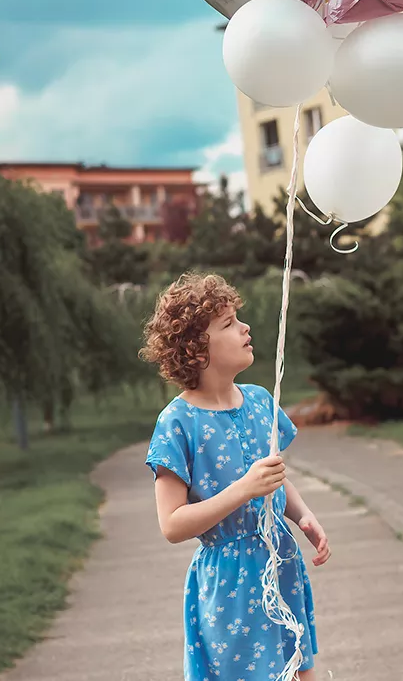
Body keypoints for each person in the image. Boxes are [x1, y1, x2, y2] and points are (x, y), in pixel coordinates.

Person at [141, 272, 331, 680]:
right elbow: (172, 525)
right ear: (195, 350)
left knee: (300, 666)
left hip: (280, 560)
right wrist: (243, 488)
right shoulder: (178, 422)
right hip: (230, 582)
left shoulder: (260, 401)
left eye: (238, 318)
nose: (245, 328)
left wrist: (302, 515)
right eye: (227, 324)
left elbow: (274, 477)